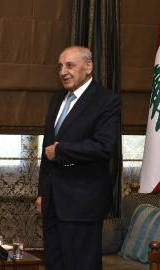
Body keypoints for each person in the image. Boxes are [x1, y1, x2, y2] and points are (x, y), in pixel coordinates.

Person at [35, 46, 121, 270]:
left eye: (70, 66)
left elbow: (105, 146)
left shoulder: (106, 100)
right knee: (54, 264)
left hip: (82, 203)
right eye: (60, 66)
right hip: (53, 202)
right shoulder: (57, 100)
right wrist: (43, 193)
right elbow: (47, 151)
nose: (63, 71)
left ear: (88, 67)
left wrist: (62, 151)